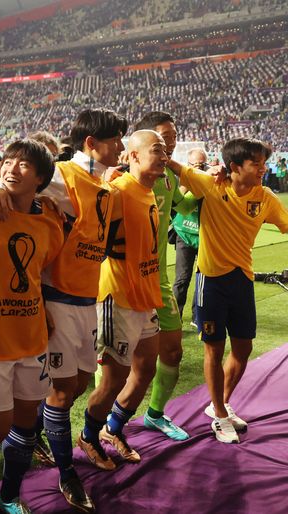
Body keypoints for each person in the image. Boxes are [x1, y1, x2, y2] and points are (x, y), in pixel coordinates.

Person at [0, 108, 128, 512]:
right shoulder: (66, 174)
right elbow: (18, 178)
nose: (121, 146)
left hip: (87, 301)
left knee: (79, 382)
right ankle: (66, 472)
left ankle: (34, 433)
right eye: (116, 139)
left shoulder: (105, 186)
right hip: (58, 298)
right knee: (62, 392)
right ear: (91, 144)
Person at [0, 139, 64, 514]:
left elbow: (42, 273)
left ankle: (9, 494)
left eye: (24, 164)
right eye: (8, 160)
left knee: (25, 424)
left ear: (41, 178)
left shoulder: (50, 221)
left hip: (33, 339)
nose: (12, 168)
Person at [168, 137, 288, 443]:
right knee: (214, 348)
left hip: (242, 280)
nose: (262, 169)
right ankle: (220, 414)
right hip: (212, 281)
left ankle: (217, 404)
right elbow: (175, 167)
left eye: (264, 163)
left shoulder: (265, 198)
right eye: (256, 164)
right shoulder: (212, 185)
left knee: (243, 348)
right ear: (234, 167)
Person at [80, 130, 168, 470]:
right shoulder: (116, 191)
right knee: (115, 377)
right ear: (132, 156)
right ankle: (88, 436)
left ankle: (112, 429)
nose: (164, 155)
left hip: (144, 297)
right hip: (118, 298)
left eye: (165, 150)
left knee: (146, 366)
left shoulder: (147, 191)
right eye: (156, 150)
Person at [122, 112, 197, 442]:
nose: (171, 143)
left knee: (172, 352)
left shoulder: (167, 177)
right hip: (121, 282)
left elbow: (183, 208)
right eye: (164, 138)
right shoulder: (119, 181)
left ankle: (154, 414)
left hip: (157, 280)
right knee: (118, 364)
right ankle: (109, 424)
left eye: (174, 137)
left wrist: (209, 188)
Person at [172, 148, 206, 325]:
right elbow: (177, 202)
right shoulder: (181, 178)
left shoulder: (209, 181)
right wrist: (187, 182)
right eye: (194, 165)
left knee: (202, 279)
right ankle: (175, 316)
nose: (198, 168)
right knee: (182, 278)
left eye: (201, 164)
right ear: (188, 164)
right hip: (184, 232)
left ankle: (197, 317)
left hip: (203, 237)